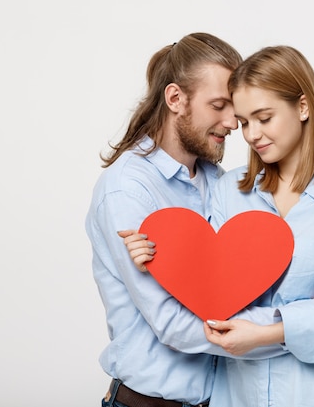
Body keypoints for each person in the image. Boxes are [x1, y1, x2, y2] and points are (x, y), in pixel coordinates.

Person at [123, 45, 314, 406]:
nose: (251, 134)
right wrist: (312, 327)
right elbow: (209, 302)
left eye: (264, 118)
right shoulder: (227, 190)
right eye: (245, 122)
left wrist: (263, 333)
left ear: (303, 106)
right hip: (236, 397)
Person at [86, 32, 252, 407]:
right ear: (176, 99)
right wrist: (282, 335)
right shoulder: (127, 190)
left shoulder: (218, 182)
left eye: (235, 107)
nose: (232, 122)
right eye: (219, 105)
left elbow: (236, 286)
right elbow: (173, 323)